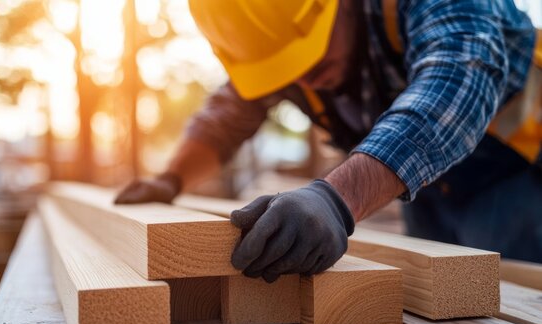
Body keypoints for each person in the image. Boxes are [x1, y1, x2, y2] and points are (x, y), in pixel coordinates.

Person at [116, 0, 542, 282]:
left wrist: (337, 199)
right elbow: (225, 117)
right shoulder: (282, 32)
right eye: (285, 69)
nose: (304, 78)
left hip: (521, 173)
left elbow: (457, 79)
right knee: (452, 302)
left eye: (310, 52)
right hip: (423, 185)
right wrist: (170, 179)